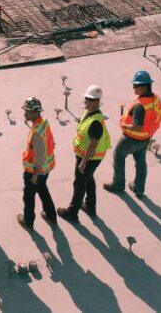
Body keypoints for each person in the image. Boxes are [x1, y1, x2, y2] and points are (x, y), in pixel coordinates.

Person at [105, 70, 161, 198]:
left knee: (119, 156)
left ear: (145, 86)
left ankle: (118, 184)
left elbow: (137, 126)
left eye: (136, 85)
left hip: (131, 139)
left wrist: (124, 125)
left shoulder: (139, 106)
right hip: (146, 138)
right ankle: (139, 188)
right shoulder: (154, 98)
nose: (133, 88)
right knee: (141, 162)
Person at [57, 85, 111, 222]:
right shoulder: (89, 115)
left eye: (89, 100)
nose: (86, 102)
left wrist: (83, 162)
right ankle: (90, 206)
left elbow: (93, 145)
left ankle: (72, 212)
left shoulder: (95, 123)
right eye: (86, 99)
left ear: (96, 102)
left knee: (79, 183)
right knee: (88, 180)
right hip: (87, 156)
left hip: (89, 158)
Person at [18, 97, 57, 230]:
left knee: (29, 197)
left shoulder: (37, 132)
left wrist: (34, 176)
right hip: (46, 169)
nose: (24, 113)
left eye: (27, 111)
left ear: (34, 112)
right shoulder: (43, 123)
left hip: (35, 172)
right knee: (43, 190)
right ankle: (51, 216)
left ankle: (28, 222)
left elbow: (38, 158)